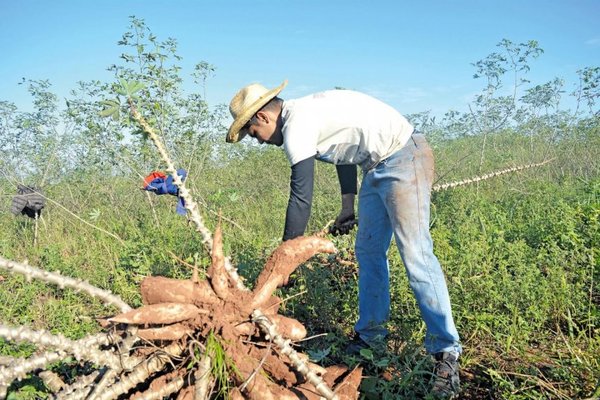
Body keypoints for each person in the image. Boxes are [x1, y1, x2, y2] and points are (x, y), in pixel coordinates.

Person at [226, 80, 462, 397]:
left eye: (253, 133)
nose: (258, 141)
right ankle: (371, 339)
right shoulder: (305, 116)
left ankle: (446, 354)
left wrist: (285, 260)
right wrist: (347, 206)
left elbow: (301, 199)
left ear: (264, 118)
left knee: (416, 254)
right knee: (368, 252)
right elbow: (346, 153)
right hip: (375, 167)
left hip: (404, 157)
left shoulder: (297, 125)